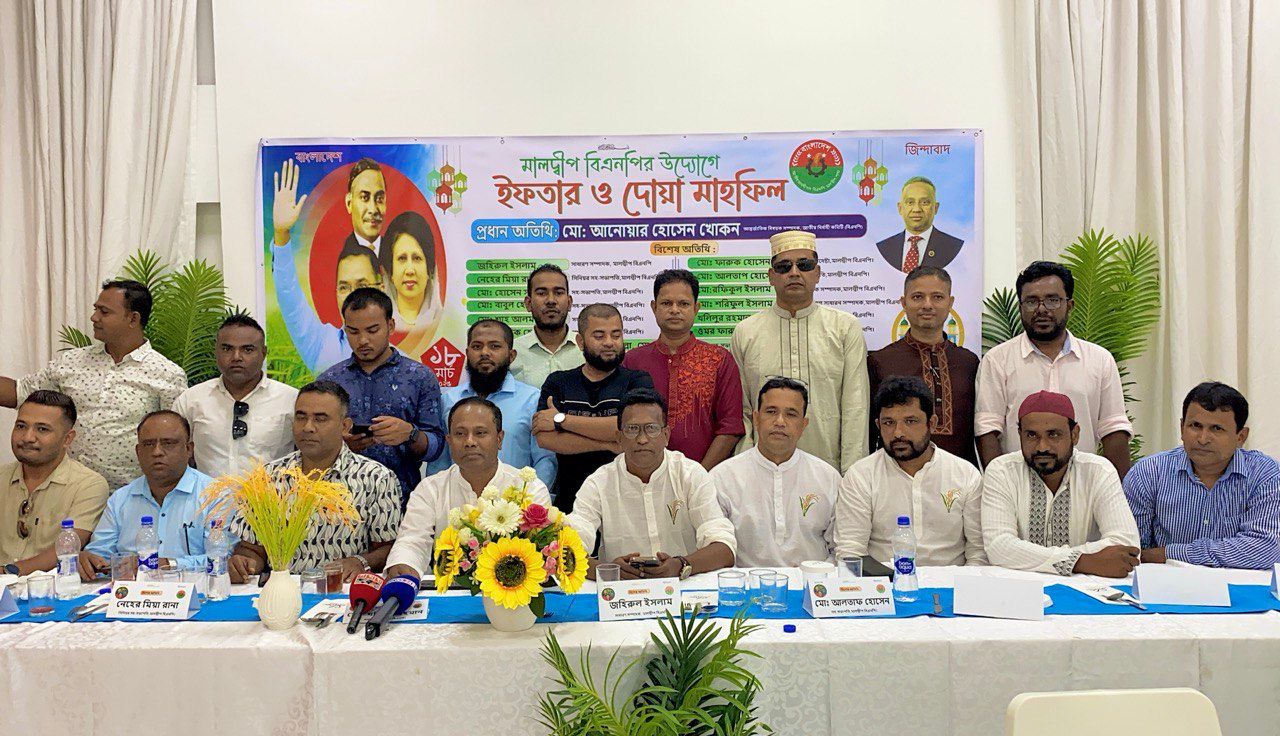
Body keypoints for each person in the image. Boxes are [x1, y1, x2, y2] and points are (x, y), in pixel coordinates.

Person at [0, 280, 187, 487]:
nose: (94, 317)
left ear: (133, 319)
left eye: (104, 312)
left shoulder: (167, 375)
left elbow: (175, 441)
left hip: (130, 495)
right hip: (68, 490)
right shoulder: (71, 362)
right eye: (95, 309)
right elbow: (19, 392)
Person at [227, 381, 402, 582]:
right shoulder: (268, 477)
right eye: (301, 417)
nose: (308, 427)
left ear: (345, 426)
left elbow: (390, 548)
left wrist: (360, 561)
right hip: (281, 590)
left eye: (320, 419)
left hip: (343, 591)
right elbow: (251, 548)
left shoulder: (376, 478)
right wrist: (244, 563)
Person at [976, 260, 1133, 478]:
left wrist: (1116, 489)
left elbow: (1113, 429)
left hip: (1083, 485)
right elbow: (987, 430)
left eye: (1052, 300)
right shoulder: (997, 361)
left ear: (1070, 305)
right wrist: (1001, 485)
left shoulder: (1099, 360)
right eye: (1031, 301)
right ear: (1020, 307)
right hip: (1018, 486)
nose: (1042, 310)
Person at [731, 229, 869, 473]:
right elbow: (743, 412)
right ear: (771, 276)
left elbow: (855, 408)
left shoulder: (844, 328)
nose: (794, 272)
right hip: (762, 471)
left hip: (828, 469)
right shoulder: (746, 332)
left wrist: (852, 476)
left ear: (817, 273)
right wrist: (746, 473)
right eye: (784, 266)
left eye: (804, 265)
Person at [567, 389, 736, 580]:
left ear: (666, 435)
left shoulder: (690, 474)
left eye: (651, 428)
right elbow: (566, 550)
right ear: (619, 438)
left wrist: (680, 565)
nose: (642, 439)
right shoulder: (599, 483)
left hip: (683, 586)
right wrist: (609, 571)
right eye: (632, 429)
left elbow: (724, 548)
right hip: (621, 591)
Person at [385, 397, 552, 580]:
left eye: (480, 433)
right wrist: (404, 565)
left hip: (515, 588)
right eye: (460, 434)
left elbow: (543, 551)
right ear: (449, 440)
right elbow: (412, 541)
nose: (470, 442)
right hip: (448, 590)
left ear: (499, 439)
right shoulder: (431, 489)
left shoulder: (530, 488)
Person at [982, 391, 1140, 577]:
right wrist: (1081, 561)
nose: (1042, 447)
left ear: (1075, 434)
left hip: (1086, 589)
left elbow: (1125, 544)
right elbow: (998, 547)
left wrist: (1029, 557)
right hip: (1020, 587)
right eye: (1031, 435)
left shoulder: (1098, 471)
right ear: (1020, 435)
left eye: (1054, 435)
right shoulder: (1002, 471)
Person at [1125, 382, 1280, 569]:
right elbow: (1132, 551)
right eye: (1195, 426)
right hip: (1166, 583)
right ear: (1182, 428)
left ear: (1241, 436)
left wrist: (1169, 553)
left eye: (1217, 429)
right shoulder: (1148, 473)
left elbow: (1266, 549)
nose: (1203, 439)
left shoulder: (1265, 475)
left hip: (1238, 585)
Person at [835, 377, 985, 567]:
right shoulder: (861, 475)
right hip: (882, 581)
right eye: (888, 422)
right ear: (878, 425)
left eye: (910, 421)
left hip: (953, 581)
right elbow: (851, 552)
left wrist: (963, 585)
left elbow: (978, 552)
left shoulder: (965, 475)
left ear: (932, 423)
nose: (898, 432)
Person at [318, 288, 445, 504]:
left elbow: (436, 447)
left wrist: (410, 434)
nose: (363, 340)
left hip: (402, 500)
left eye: (372, 330)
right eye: (353, 332)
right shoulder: (329, 381)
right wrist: (340, 446)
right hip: (338, 501)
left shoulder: (419, 377)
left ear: (391, 326)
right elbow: (312, 444)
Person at [270, 158, 391, 372]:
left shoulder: (411, 372)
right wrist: (281, 233)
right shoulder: (322, 347)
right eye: (344, 287)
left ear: (381, 287)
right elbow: (289, 296)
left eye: (362, 285)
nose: (354, 296)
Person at [534, 304, 654, 511]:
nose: (609, 342)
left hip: (628, 501)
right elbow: (546, 439)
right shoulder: (558, 382)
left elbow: (627, 428)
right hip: (571, 501)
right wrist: (608, 444)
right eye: (599, 336)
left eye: (616, 335)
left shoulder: (638, 381)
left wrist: (561, 420)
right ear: (580, 342)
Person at [623, 269, 745, 469]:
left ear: (696, 308)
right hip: (643, 477)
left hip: (707, 476)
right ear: (654, 307)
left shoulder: (720, 360)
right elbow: (623, 425)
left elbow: (730, 428)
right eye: (666, 303)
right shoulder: (632, 361)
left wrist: (700, 477)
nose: (674, 310)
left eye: (683, 304)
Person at [711, 377, 839, 567]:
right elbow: (716, 548)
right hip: (745, 583)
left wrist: (816, 576)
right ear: (756, 419)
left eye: (791, 414)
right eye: (771, 412)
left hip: (814, 581)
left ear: (803, 425)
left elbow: (840, 549)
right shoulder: (723, 478)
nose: (780, 422)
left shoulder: (828, 478)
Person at [79, 411, 223, 578]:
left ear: (189, 449)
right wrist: (89, 561)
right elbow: (99, 554)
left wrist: (168, 564)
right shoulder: (120, 500)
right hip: (131, 590)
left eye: (168, 443)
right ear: (138, 451)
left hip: (196, 590)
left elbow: (222, 559)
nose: (157, 452)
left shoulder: (215, 495)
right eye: (148, 444)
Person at [868, 266, 979, 466]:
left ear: (950, 303)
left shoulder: (969, 363)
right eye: (918, 297)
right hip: (896, 473)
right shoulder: (880, 361)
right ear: (904, 303)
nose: (927, 305)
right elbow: (870, 431)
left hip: (960, 476)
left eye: (937, 297)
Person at [429, 319, 556, 489]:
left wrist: (529, 499)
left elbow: (545, 460)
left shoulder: (532, 400)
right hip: (459, 501)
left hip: (516, 500)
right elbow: (440, 463)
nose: (485, 353)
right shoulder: (449, 400)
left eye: (495, 346)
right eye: (477, 346)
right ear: (467, 353)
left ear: (511, 355)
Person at [172, 314, 297, 478]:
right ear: (216, 351)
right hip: (206, 495)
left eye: (247, 350)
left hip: (274, 495)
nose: (236, 357)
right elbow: (174, 455)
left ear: (264, 353)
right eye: (227, 349)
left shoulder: (290, 399)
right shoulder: (191, 400)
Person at [1, 392, 109, 576]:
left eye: (42, 429)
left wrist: (6, 573)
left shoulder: (88, 485)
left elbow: (67, 550)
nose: (28, 437)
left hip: (54, 586)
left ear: (67, 439)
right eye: (21, 426)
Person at [379, 210, 444, 359]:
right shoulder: (377, 325)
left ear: (429, 269)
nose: (410, 270)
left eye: (417, 258)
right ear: (390, 271)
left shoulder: (445, 321)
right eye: (402, 258)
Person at [511, 264, 584, 390]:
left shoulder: (587, 351)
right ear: (528, 303)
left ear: (569, 302)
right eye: (541, 293)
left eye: (558, 293)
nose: (551, 300)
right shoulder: (512, 353)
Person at [876, 177, 965, 272]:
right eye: (910, 202)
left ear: (936, 208)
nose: (917, 209)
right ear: (900, 208)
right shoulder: (882, 248)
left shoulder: (955, 248)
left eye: (924, 202)